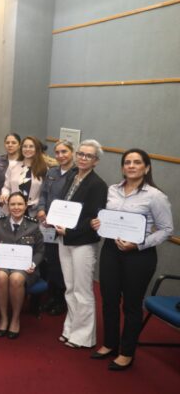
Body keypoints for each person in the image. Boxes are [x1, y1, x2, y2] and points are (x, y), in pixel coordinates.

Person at [90, 149, 173, 371]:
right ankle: (109, 343)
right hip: (111, 250)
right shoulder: (112, 190)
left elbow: (167, 230)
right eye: (127, 162)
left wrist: (138, 244)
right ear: (122, 168)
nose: (132, 166)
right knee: (108, 300)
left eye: (137, 162)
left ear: (146, 168)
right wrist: (99, 224)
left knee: (132, 305)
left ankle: (127, 352)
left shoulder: (155, 196)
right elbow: (107, 218)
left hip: (139, 255)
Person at [52, 139, 107, 349]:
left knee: (82, 290)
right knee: (70, 287)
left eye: (88, 156)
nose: (83, 158)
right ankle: (70, 329)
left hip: (83, 242)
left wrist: (70, 230)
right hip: (64, 238)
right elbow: (64, 206)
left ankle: (83, 336)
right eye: (81, 154)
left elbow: (93, 219)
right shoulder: (73, 176)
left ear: (96, 161)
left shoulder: (98, 185)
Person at [0, 192, 44, 339]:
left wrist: (33, 263)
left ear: (26, 206)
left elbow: (40, 251)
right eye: (12, 204)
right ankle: (4, 317)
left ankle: (15, 319)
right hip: (2, 265)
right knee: (0, 276)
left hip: (25, 268)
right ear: (7, 206)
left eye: (20, 204)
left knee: (16, 278)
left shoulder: (33, 225)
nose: (16, 207)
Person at [36, 139, 75, 315]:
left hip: (66, 228)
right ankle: (53, 296)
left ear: (72, 152)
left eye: (64, 152)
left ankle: (62, 300)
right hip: (48, 225)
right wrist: (42, 209)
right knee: (51, 261)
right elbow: (44, 193)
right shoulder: (52, 172)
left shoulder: (76, 174)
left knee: (63, 264)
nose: (60, 155)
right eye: (57, 152)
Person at [0, 136, 49, 216]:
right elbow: (6, 187)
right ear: (21, 148)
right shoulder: (13, 166)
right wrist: (5, 194)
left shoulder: (44, 169)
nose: (27, 149)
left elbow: (44, 193)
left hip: (33, 212)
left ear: (37, 149)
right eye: (25, 146)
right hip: (13, 210)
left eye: (31, 146)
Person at [0, 133, 21, 217]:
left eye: (13, 143)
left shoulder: (24, 162)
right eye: (7, 143)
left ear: (19, 145)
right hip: (1, 204)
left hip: (19, 206)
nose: (10, 145)